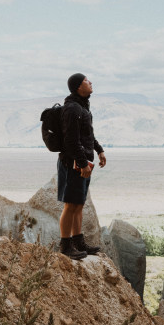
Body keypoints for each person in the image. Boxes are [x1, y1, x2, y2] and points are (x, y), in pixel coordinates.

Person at [58, 73, 106, 259]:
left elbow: (87, 135)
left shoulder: (82, 107)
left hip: (82, 162)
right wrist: (83, 162)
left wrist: (99, 150)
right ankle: (66, 246)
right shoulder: (71, 109)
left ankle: (78, 242)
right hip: (73, 164)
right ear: (78, 86)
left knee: (79, 204)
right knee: (70, 205)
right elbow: (71, 140)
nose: (91, 82)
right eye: (86, 80)